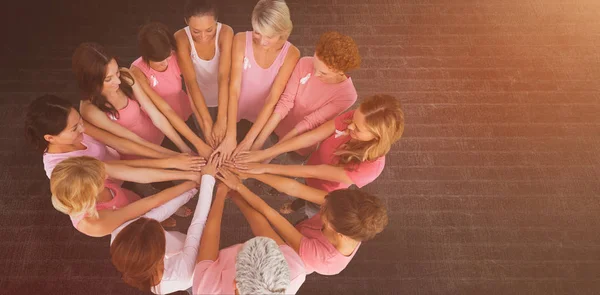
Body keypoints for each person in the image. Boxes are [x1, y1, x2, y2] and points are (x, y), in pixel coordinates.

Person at [233, 94, 404, 215]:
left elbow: (315, 172)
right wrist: (266, 153)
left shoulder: (370, 168)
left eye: (357, 129)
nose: (350, 126)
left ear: (376, 136)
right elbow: (313, 136)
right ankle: (295, 203)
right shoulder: (356, 118)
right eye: (353, 120)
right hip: (311, 168)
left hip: (325, 191)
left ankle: (296, 207)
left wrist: (262, 167)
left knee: (311, 209)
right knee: (299, 184)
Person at [218, 169, 388, 276]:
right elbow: (295, 188)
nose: (321, 206)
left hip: (285, 259)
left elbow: (270, 217)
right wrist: (253, 171)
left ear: (337, 230)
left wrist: (238, 189)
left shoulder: (323, 258)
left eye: (324, 211)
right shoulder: (345, 211)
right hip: (304, 234)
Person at [110, 157, 218, 294]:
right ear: (161, 252)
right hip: (194, 270)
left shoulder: (122, 234)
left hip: (180, 251)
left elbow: (160, 212)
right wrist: (208, 180)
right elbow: (197, 226)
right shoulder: (181, 275)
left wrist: (193, 190)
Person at [73, 42, 197, 158]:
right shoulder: (90, 109)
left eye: (117, 73)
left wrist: (185, 149)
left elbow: (155, 114)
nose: (118, 81)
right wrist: (174, 156)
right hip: (140, 153)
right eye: (108, 79)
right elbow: (131, 139)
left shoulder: (125, 76)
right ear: (91, 81)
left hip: (160, 135)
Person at [212, 0, 300, 162]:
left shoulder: (291, 54)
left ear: (283, 31)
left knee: (246, 152)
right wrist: (230, 135)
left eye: (269, 36)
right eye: (257, 33)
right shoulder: (240, 40)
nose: (262, 41)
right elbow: (234, 88)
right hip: (235, 108)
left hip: (261, 114)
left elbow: (272, 99)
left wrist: (249, 141)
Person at [191, 170, 306, 294]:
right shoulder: (296, 272)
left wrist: (221, 193)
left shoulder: (206, 289)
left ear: (235, 284)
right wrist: (236, 195)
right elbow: (263, 229)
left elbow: (209, 239)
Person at [252, 31, 360, 154]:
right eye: (315, 66)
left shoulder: (347, 95)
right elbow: (285, 102)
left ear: (340, 72)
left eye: (323, 73)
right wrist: (258, 143)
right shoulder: (305, 63)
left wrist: (271, 152)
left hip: (302, 138)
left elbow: (311, 121)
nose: (315, 74)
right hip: (279, 123)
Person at [50, 156, 200, 237]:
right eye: (103, 177)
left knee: (146, 205)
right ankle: (161, 222)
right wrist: (191, 184)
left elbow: (138, 172)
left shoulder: (84, 173)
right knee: (149, 224)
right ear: (90, 192)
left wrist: (185, 173)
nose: (107, 175)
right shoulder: (95, 223)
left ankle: (165, 218)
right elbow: (152, 201)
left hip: (130, 201)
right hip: (130, 225)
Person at [130, 22, 213, 158]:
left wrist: (206, 129)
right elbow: (164, 109)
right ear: (146, 56)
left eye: (167, 57)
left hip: (181, 110)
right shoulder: (138, 71)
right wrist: (196, 144)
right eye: (159, 61)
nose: (165, 63)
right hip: (159, 122)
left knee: (198, 144)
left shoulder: (176, 56)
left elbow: (192, 89)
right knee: (180, 153)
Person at [174, 0, 234, 148]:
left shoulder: (226, 32)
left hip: (225, 96)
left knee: (226, 141)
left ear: (216, 22)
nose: (203, 36)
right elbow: (191, 81)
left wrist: (222, 118)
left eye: (209, 30)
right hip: (198, 99)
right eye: (196, 31)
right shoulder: (181, 37)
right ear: (186, 22)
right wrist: (206, 122)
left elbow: (223, 77)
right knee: (207, 140)